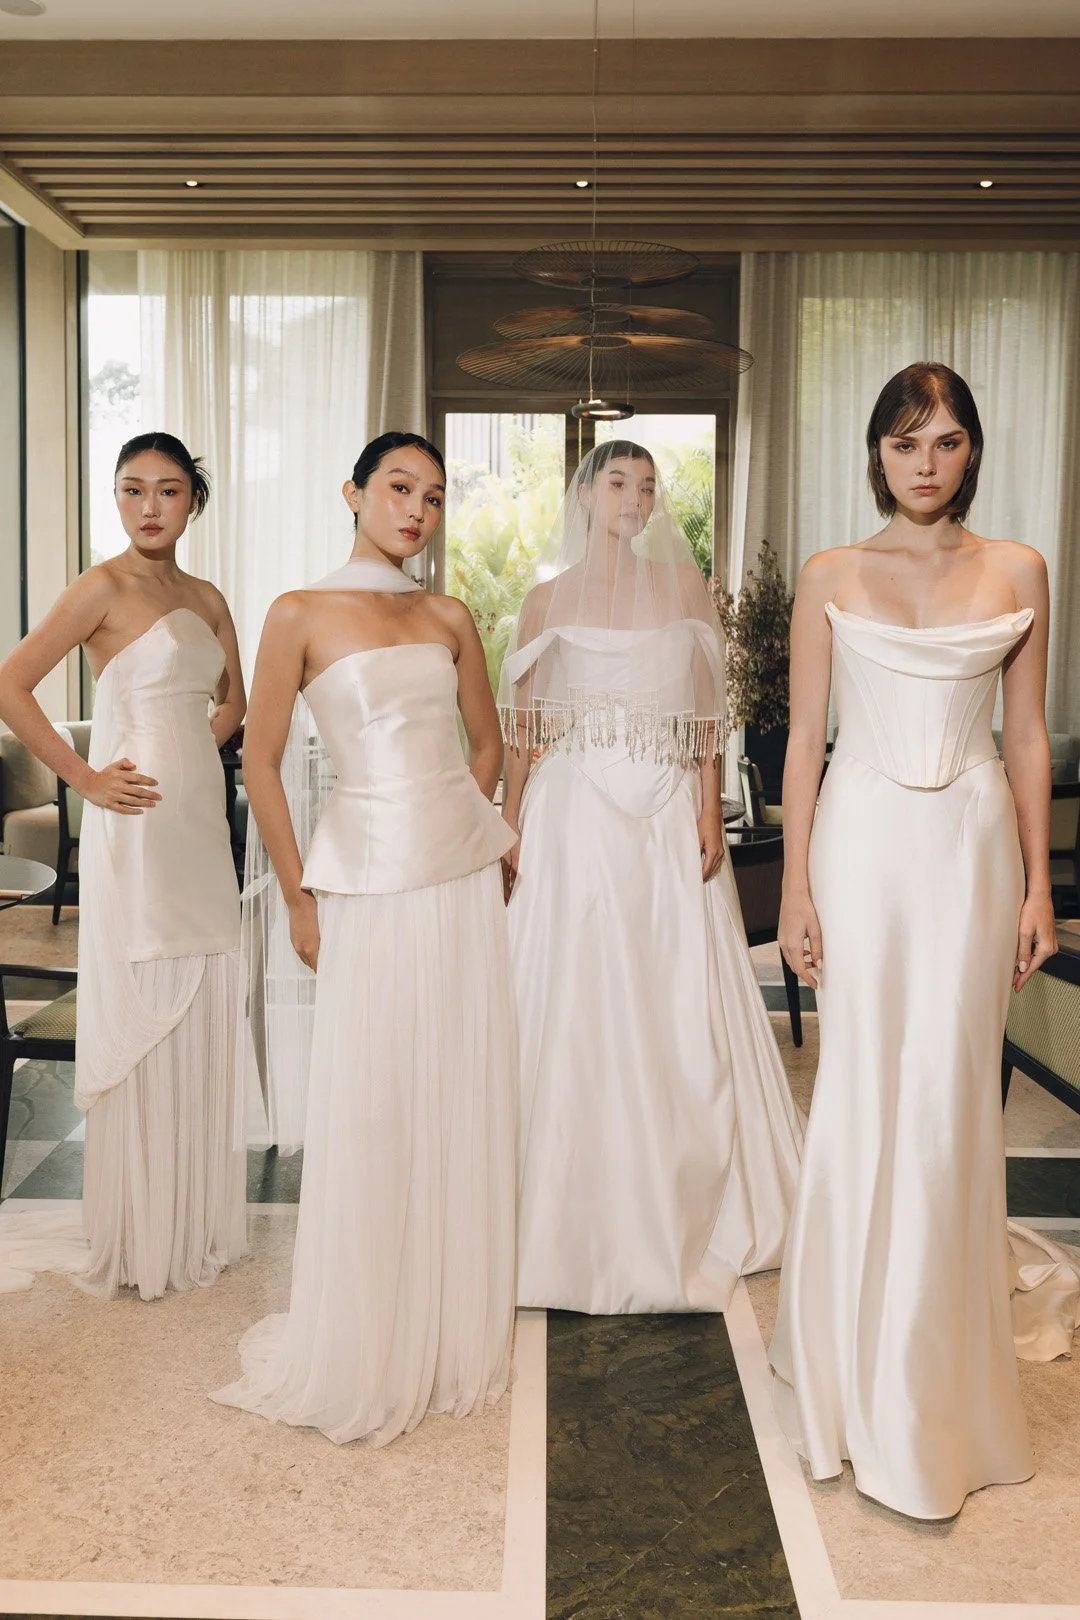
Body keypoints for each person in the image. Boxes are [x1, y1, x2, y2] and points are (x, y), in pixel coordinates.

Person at [772, 361, 1079, 1520]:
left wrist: (1036, 888)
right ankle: (846, 1347)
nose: (926, 463)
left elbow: (1032, 736)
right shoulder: (830, 574)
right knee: (859, 1080)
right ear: (877, 453)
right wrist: (796, 887)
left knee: (953, 1091)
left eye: (946, 442)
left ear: (972, 452)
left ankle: (932, 1374)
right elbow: (804, 741)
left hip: (970, 843)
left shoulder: (1018, 569)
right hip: (860, 843)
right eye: (906, 443)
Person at [211, 431, 518, 1447]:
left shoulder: (449, 614)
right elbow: (258, 762)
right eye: (399, 489)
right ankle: (367, 1326)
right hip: (360, 882)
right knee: (375, 1091)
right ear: (353, 492)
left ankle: (440, 1321)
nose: (417, 512)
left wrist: (460, 826)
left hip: (458, 879)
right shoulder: (297, 612)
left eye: (433, 497)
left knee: (453, 1084)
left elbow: (488, 745)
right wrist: (299, 896)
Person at [500, 440, 803, 1315]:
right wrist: (511, 825)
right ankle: (561, 1196)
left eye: (647, 485)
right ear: (588, 493)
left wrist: (709, 808)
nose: (634, 497)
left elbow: (705, 716)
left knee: (672, 991)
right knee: (573, 993)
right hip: (574, 816)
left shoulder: (684, 588)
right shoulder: (545, 600)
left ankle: (684, 1188)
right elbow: (526, 728)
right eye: (618, 482)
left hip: (666, 807)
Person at [0, 431, 247, 1299]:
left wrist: (183, 758)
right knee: (147, 991)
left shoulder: (209, 595)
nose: (150, 506)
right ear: (117, 498)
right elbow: (10, 681)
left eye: (169, 491)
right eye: (133, 489)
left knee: (204, 985)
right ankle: (143, 1231)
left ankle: (192, 1214)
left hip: (198, 829)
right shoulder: (100, 586)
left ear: (193, 502)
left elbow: (234, 704)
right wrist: (87, 779)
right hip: (134, 830)